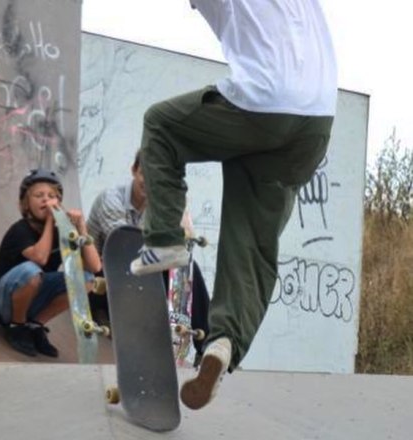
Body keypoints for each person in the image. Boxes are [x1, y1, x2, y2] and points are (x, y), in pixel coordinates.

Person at [131, 0, 337, 410]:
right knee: (253, 243)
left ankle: (166, 241)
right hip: (317, 120)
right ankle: (223, 343)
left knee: (161, 126)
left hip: (265, 102)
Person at [87, 150, 210, 358]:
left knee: (186, 264)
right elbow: (125, 245)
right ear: (134, 171)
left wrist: (180, 212)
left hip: (137, 278)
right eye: (145, 173)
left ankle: (206, 345)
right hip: (101, 280)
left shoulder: (159, 207)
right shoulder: (111, 199)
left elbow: (183, 244)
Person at [0, 169, 102, 357]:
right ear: (26, 204)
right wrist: (50, 221)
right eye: (39, 195)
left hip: (32, 301)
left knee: (86, 280)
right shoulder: (20, 230)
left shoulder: (62, 233)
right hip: (1, 303)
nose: (46, 200)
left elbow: (95, 267)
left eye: (52, 196)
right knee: (31, 270)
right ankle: (17, 327)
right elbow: (40, 258)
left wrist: (81, 228)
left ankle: (35, 325)